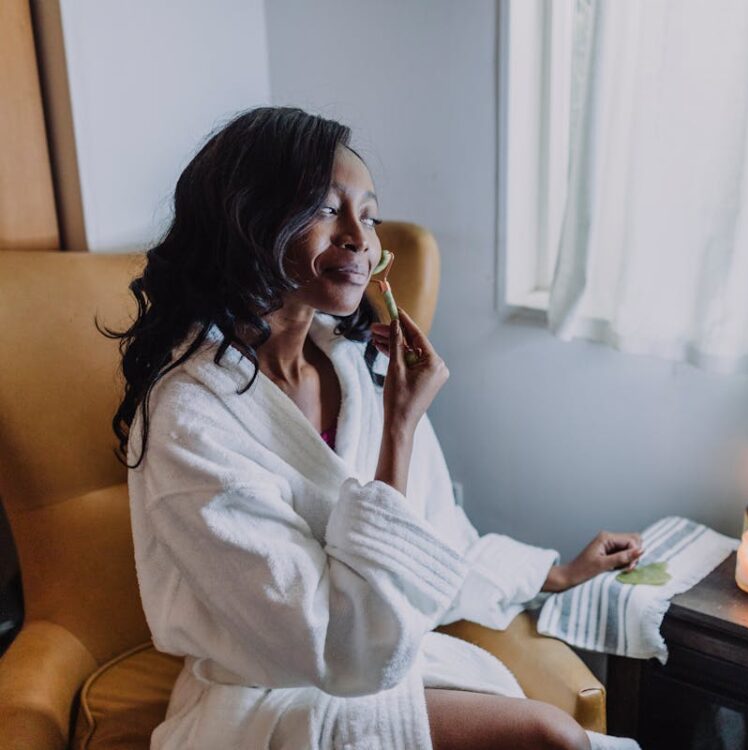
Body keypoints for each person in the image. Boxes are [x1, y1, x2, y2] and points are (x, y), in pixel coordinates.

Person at [104, 107, 643, 750]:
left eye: (371, 215)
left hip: (375, 666)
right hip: (271, 698)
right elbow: (335, 644)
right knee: (548, 736)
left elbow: (435, 537)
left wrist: (552, 572)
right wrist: (401, 430)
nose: (361, 238)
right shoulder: (191, 420)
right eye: (329, 210)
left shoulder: (357, 369)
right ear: (251, 220)